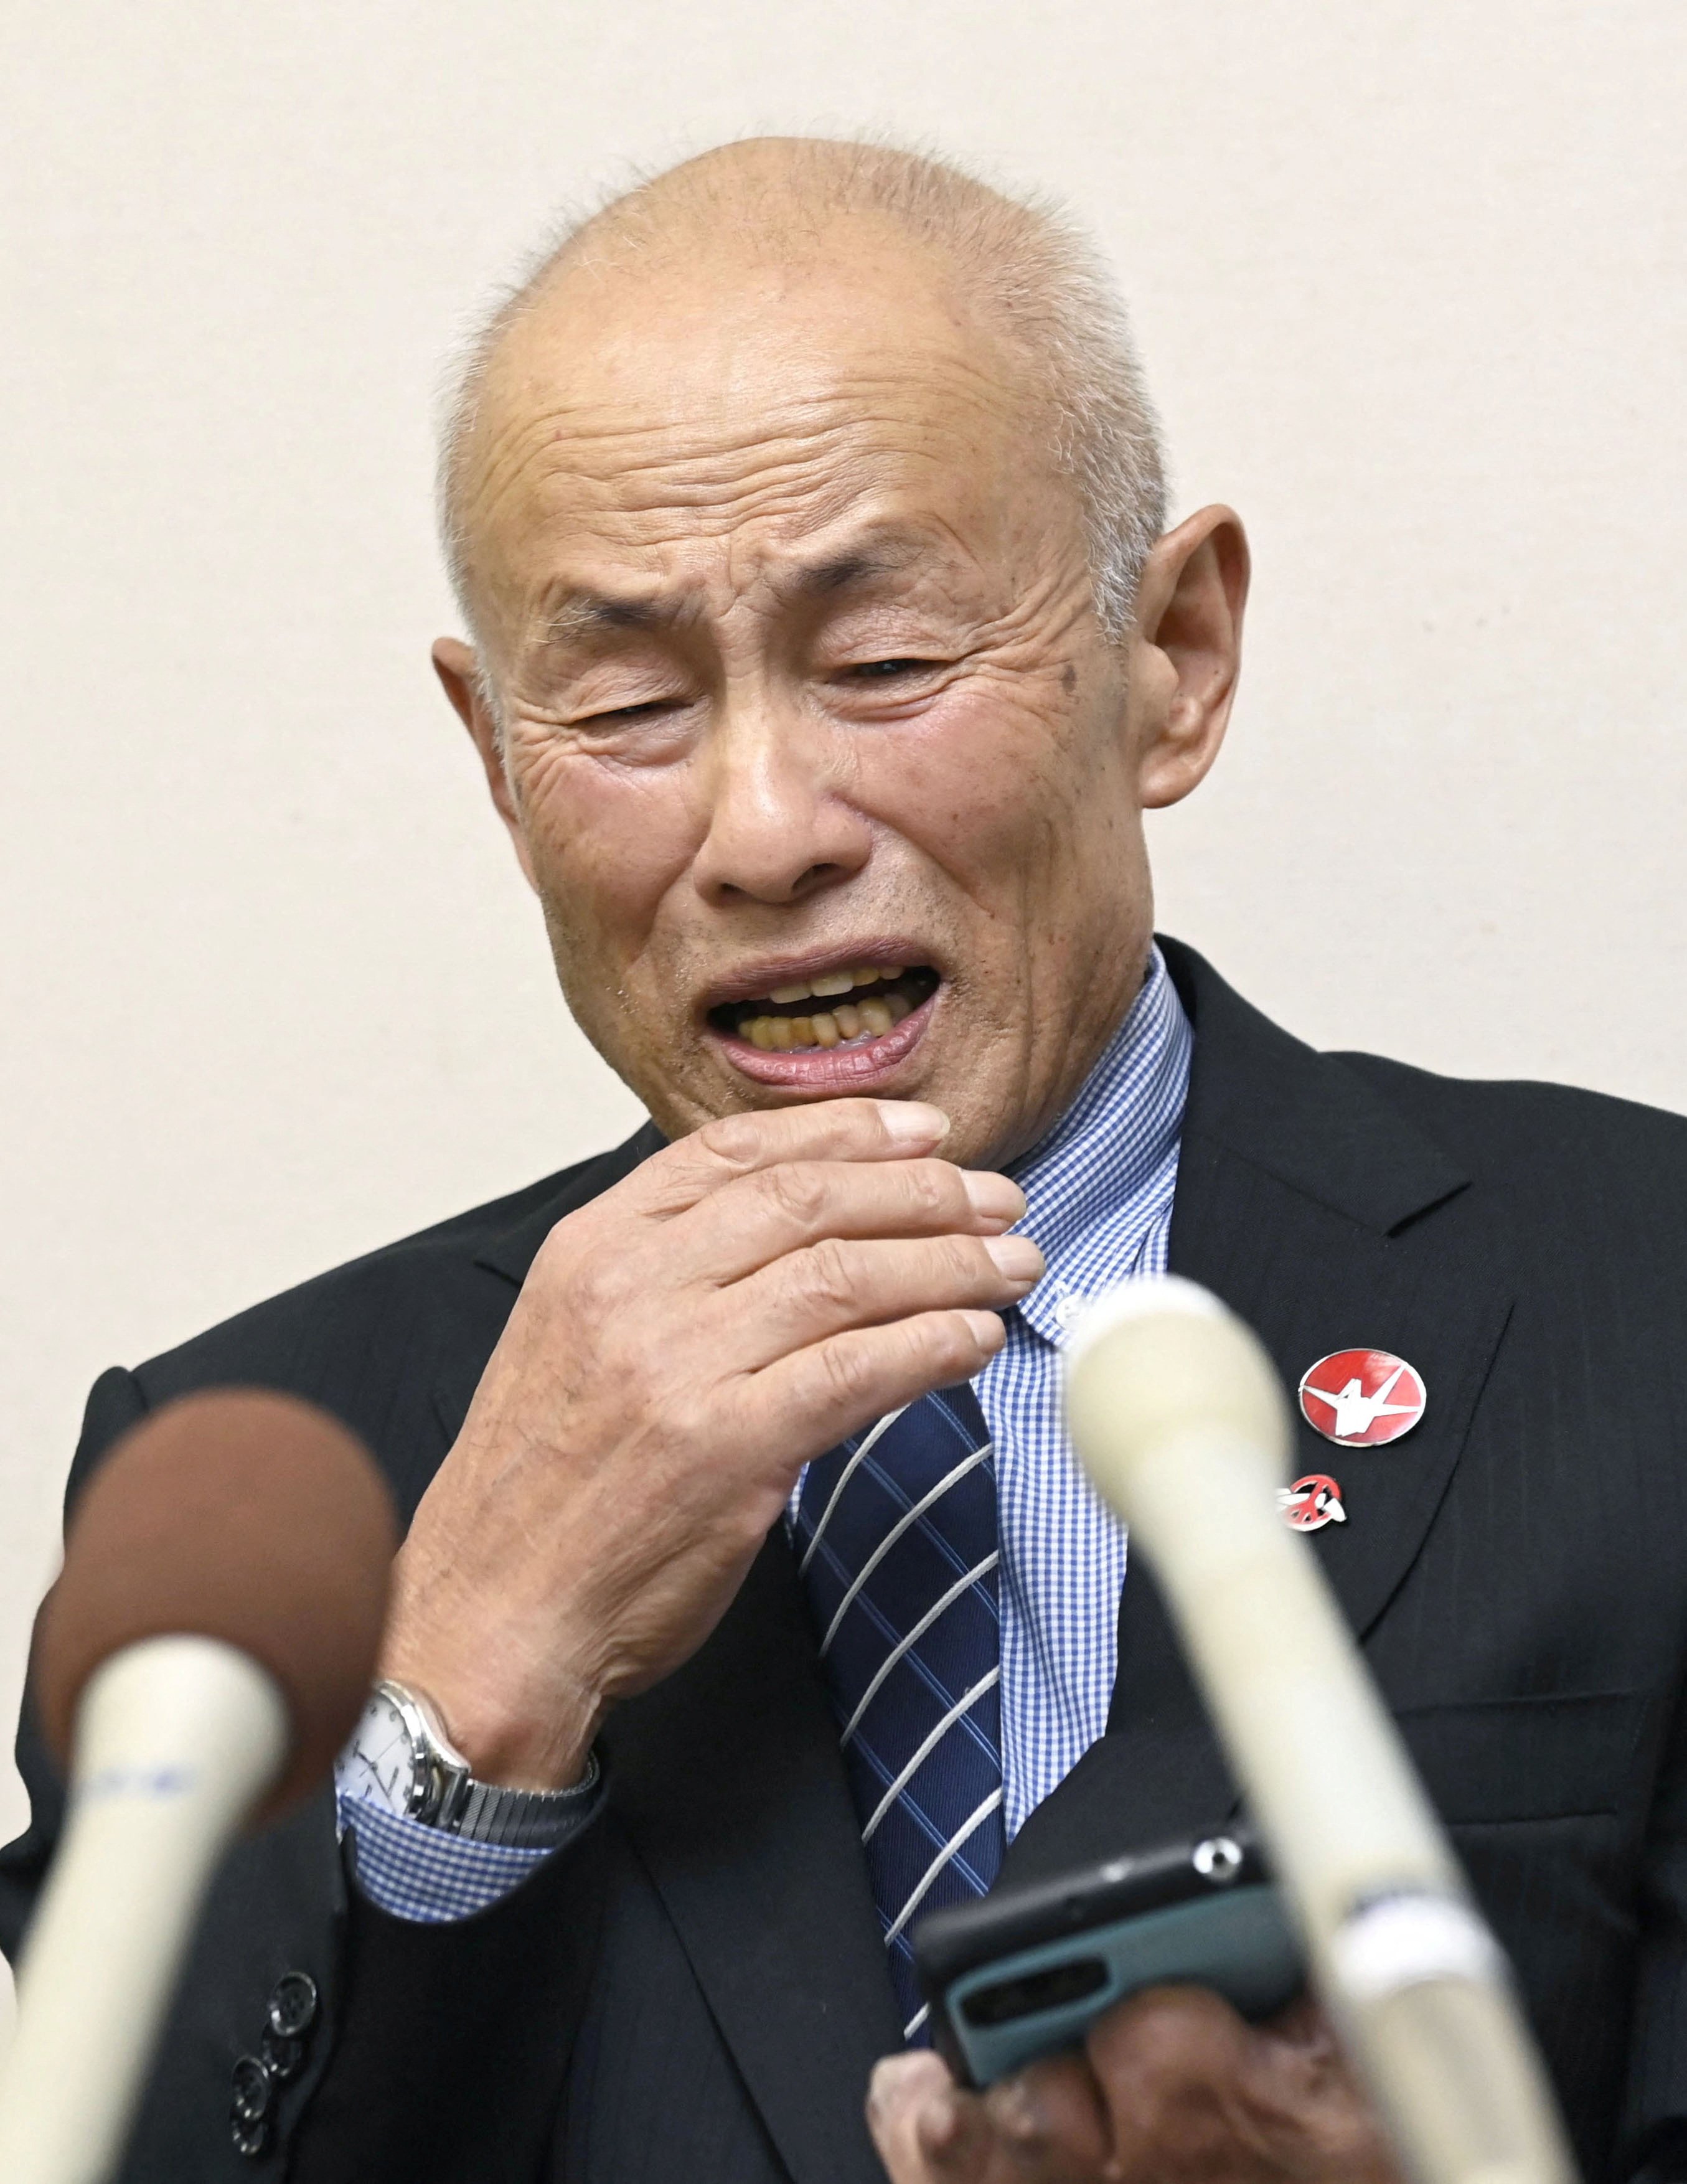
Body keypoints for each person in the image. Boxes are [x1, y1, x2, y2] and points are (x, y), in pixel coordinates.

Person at [4, 136, 1686, 2184]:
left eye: (884, 664)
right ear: (495, 762)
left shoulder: (1641, 1302)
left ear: (1172, 658)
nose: (767, 826)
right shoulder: (254, 1467)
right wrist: (453, 1699)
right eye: (623, 702)